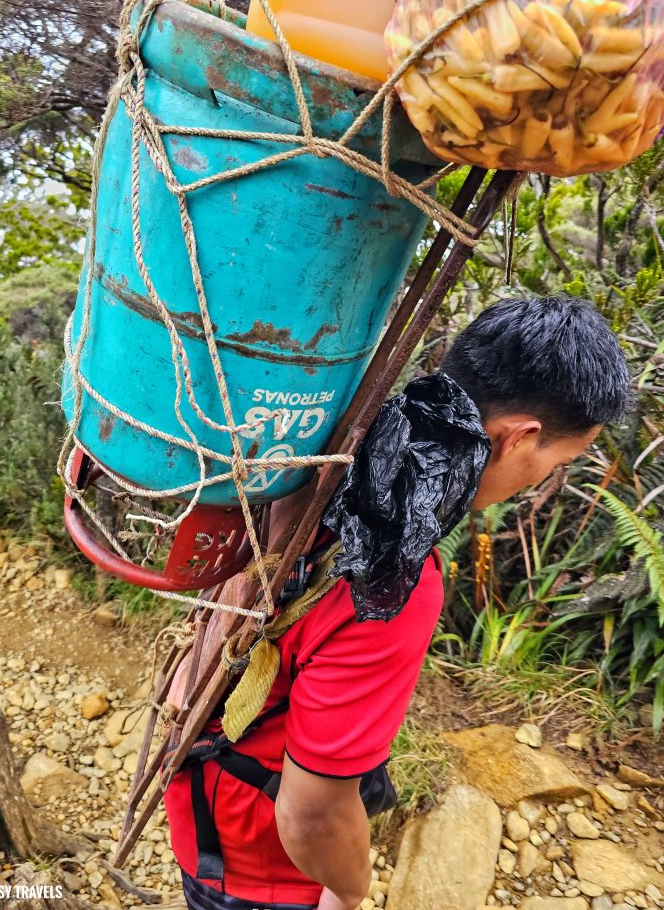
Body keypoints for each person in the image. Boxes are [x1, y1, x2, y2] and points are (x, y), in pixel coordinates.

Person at [163, 295, 631, 910]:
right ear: (520, 438)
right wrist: (350, 893)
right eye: (555, 463)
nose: (542, 479)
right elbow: (311, 818)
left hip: (201, 798)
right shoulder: (395, 583)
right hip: (257, 865)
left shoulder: (323, 454)